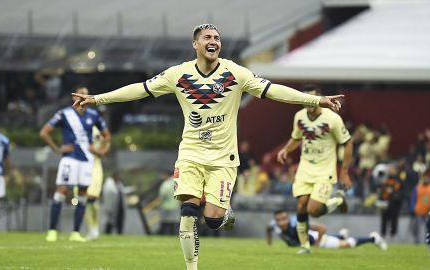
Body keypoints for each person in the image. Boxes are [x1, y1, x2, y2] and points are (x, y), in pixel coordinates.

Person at [71, 24, 344, 270]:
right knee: (188, 214)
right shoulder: (178, 75)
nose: (213, 41)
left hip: (224, 159)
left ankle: (223, 216)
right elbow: (140, 89)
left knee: (212, 219)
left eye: (217, 38)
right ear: (196, 44)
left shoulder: (235, 73)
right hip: (190, 154)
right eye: (207, 37)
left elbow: (273, 89)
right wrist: (97, 99)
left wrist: (315, 102)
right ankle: (192, 268)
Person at [276, 85, 353, 254]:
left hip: (325, 171)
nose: (310, 102)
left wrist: (345, 172)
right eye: (306, 99)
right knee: (302, 205)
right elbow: (296, 138)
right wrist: (286, 150)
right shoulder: (299, 116)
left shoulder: (332, 118)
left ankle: (339, 200)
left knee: (314, 210)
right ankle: (305, 246)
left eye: (313, 98)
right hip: (305, 169)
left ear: (319, 98)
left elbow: (347, 143)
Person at [40, 86, 111, 242]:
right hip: (69, 159)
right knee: (61, 191)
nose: (84, 96)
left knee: (83, 195)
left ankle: (76, 233)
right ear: (74, 97)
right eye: (81, 94)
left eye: (86, 94)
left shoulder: (94, 115)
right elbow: (44, 132)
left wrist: (102, 150)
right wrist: (58, 149)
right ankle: (52, 231)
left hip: (87, 160)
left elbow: (107, 135)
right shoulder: (64, 113)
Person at [267, 210, 387, 250]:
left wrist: (318, 243)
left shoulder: (297, 224)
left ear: (288, 218)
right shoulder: (274, 225)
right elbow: (268, 228)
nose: (281, 222)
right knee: (339, 240)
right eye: (279, 220)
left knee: (346, 245)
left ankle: (373, 239)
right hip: (310, 239)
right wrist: (270, 242)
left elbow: (321, 228)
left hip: (315, 239)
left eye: (284, 219)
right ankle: (341, 235)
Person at [85, 126, 111, 240]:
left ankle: (95, 228)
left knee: (92, 197)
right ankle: (91, 228)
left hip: (95, 166)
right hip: (82, 164)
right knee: (84, 199)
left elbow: (108, 141)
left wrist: (102, 151)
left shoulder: (99, 130)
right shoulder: (79, 126)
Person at [409, 169, 430, 244]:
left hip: (429, 212)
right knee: (416, 229)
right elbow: (413, 198)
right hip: (418, 211)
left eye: (427, 177)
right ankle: (416, 242)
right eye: (425, 177)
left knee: (429, 229)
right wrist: (413, 208)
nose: (426, 179)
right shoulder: (417, 187)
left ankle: (428, 242)